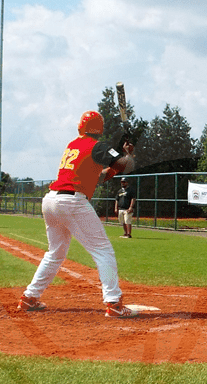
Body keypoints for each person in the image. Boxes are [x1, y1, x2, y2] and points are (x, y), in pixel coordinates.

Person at [18, 110, 136, 318]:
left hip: (51, 201)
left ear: (81, 126)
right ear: (100, 128)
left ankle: (29, 297)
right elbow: (126, 165)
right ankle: (114, 303)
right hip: (71, 202)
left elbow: (99, 176)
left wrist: (121, 160)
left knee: (55, 253)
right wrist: (128, 154)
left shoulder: (73, 145)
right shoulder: (97, 146)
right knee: (103, 251)